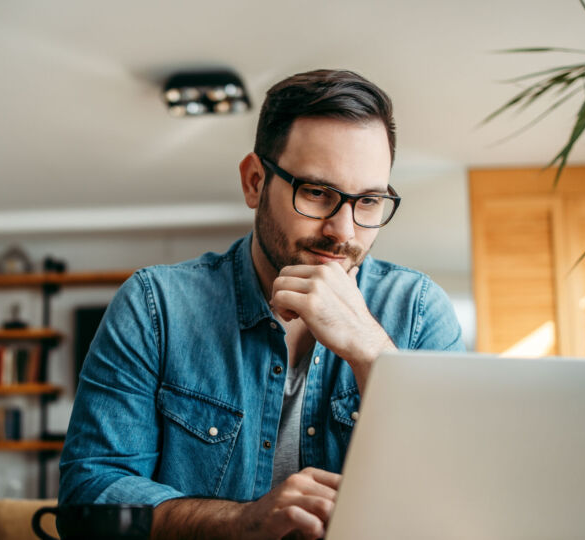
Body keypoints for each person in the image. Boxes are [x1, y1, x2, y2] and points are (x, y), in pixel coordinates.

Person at [58, 69, 464, 539]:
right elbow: (88, 498)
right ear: (254, 182)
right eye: (316, 192)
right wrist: (241, 522)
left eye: (369, 200)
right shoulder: (156, 307)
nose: (344, 232)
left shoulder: (418, 312)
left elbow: (459, 498)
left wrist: (372, 355)